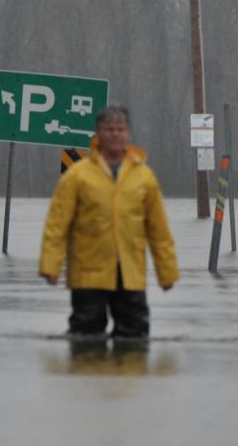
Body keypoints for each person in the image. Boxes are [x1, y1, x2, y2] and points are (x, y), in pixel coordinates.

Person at [39, 105, 179, 339]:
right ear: (98, 133)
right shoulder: (78, 175)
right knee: (85, 335)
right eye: (109, 129)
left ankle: (127, 374)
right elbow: (57, 224)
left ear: (128, 134)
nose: (115, 134)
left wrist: (167, 272)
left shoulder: (144, 177)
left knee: (134, 336)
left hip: (130, 270)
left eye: (120, 129)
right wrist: (50, 266)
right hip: (88, 271)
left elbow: (158, 230)